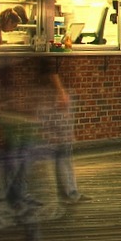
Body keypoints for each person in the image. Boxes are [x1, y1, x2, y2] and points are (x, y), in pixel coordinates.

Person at [35, 56, 82, 202]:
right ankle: (68, 192)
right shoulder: (50, 53)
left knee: (62, 148)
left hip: (55, 97)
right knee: (63, 148)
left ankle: (68, 191)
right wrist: (61, 92)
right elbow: (50, 67)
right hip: (55, 99)